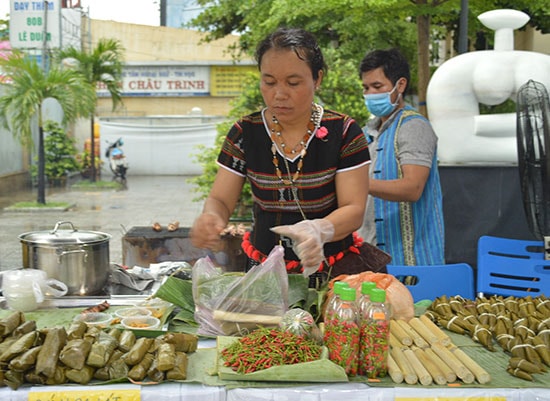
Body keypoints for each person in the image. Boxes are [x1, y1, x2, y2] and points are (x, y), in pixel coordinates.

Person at [190, 27, 390, 286]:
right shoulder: (245, 133)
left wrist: (320, 230)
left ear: (317, 79)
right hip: (264, 270)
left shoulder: (344, 132)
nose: (279, 93)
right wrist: (212, 218)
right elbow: (220, 198)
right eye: (269, 82)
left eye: (293, 83)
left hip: (334, 268)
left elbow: (353, 209)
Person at [357, 48, 445, 266]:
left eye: (377, 87)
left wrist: (357, 183)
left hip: (412, 263)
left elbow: (412, 188)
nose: (370, 94)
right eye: (366, 88)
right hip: (371, 257)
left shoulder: (414, 126)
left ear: (401, 85)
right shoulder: (369, 132)